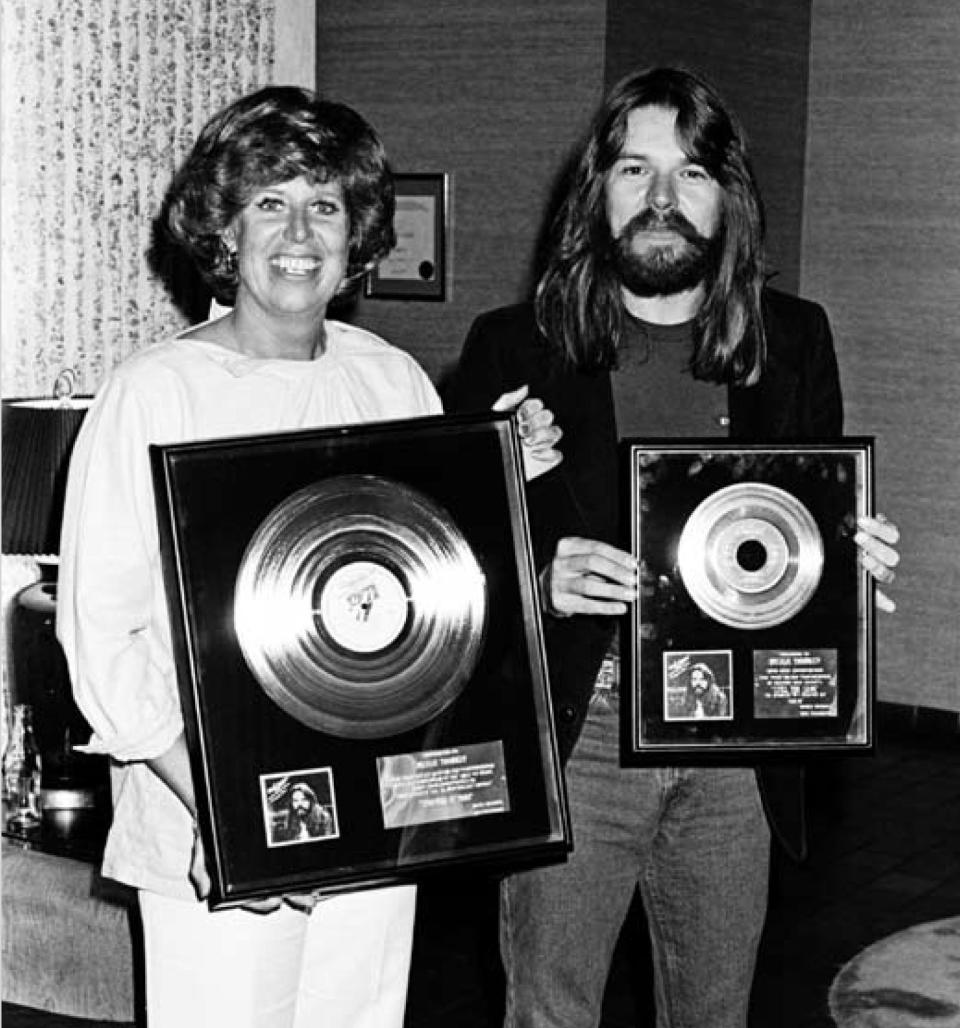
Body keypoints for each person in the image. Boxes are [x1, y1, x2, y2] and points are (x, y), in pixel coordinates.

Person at [56, 85, 560, 1028]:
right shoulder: (155, 392)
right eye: (269, 202)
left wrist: (495, 481)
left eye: (324, 204)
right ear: (226, 228)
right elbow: (102, 639)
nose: (299, 233)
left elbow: (421, 594)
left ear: (357, 232)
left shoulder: (389, 377)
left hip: (375, 812)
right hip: (212, 820)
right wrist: (225, 811)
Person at [445, 66, 900, 1028]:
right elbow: (443, 562)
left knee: (713, 1015)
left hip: (738, 743)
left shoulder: (794, 339)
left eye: (689, 173)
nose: (661, 198)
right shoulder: (511, 349)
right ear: (595, 192)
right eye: (634, 170)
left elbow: (805, 530)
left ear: (726, 197)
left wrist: (844, 565)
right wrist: (534, 576)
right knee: (550, 1012)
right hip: (584, 731)